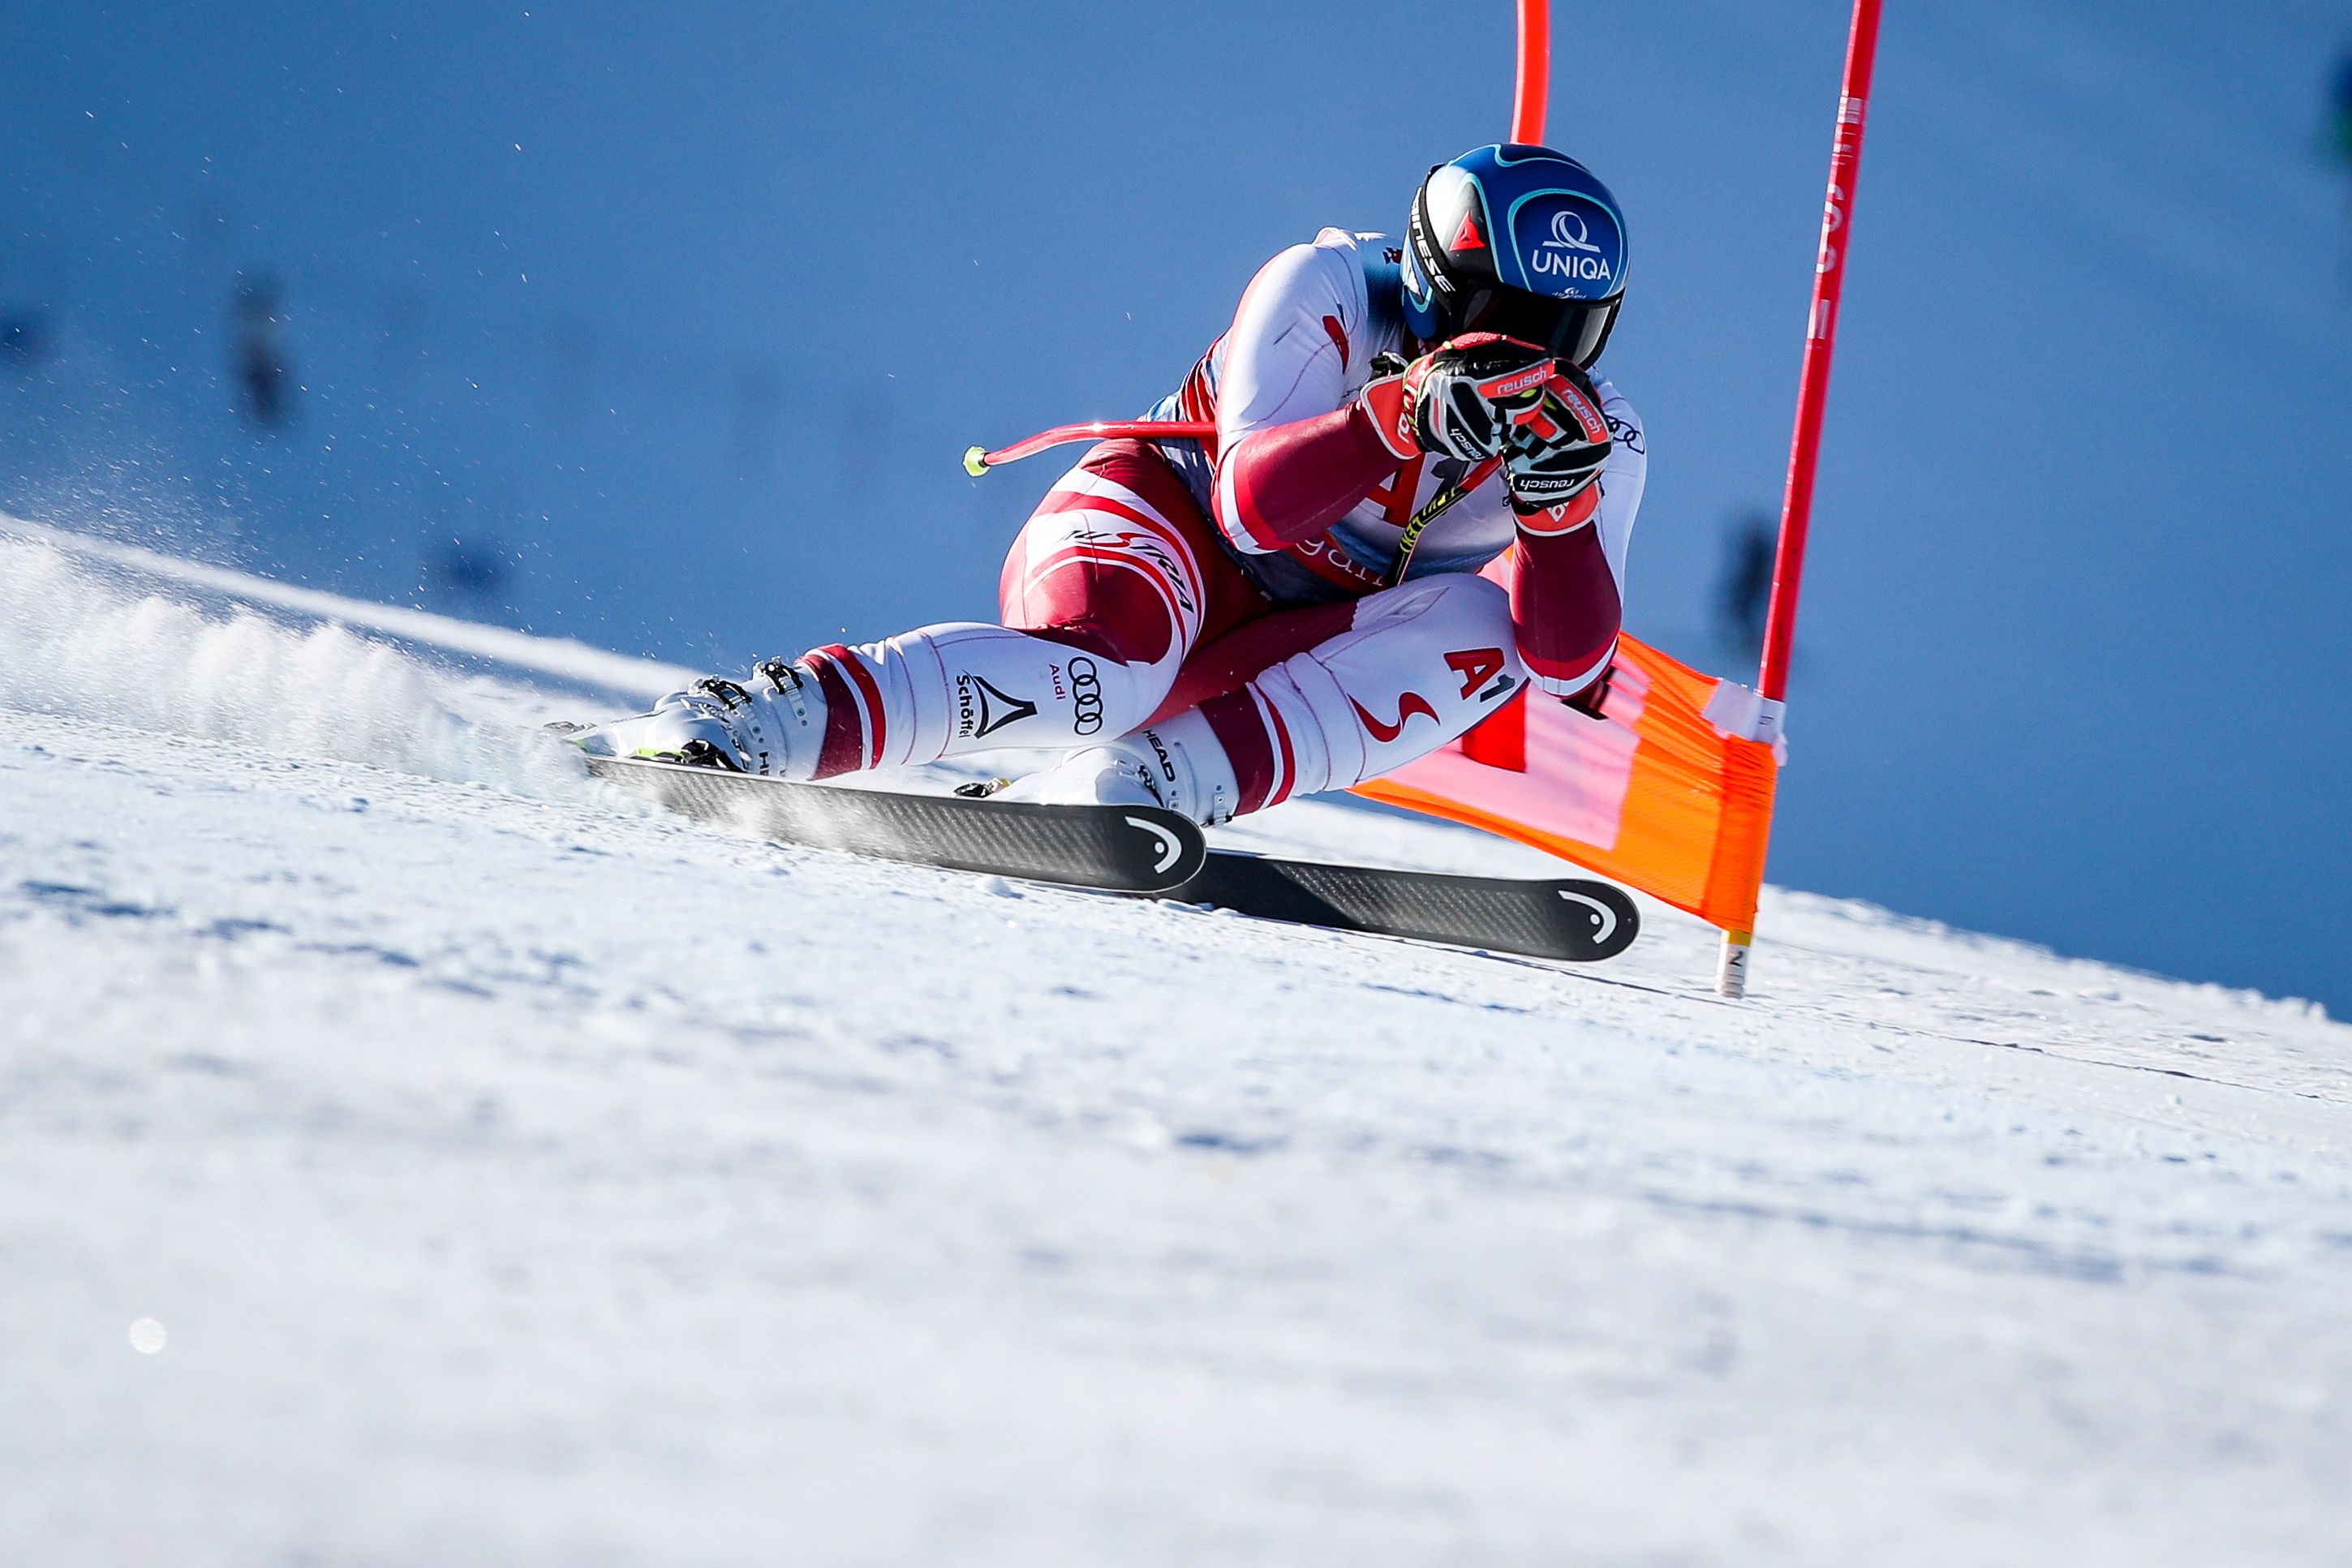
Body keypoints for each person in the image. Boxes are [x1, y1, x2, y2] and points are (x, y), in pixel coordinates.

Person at [579, 144, 1648, 827]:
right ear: (1429, 281)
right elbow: (1250, 507)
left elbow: (1567, 669)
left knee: (1481, 620)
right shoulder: (1325, 290)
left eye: (1567, 333)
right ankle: (758, 717)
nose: (1529, 365)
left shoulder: (1600, 431)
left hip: (1278, 641)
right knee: (1113, 674)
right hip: (1154, 531)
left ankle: (1151, 786)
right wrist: (1399, 412)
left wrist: (1560, 516)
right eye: (1497, 318)